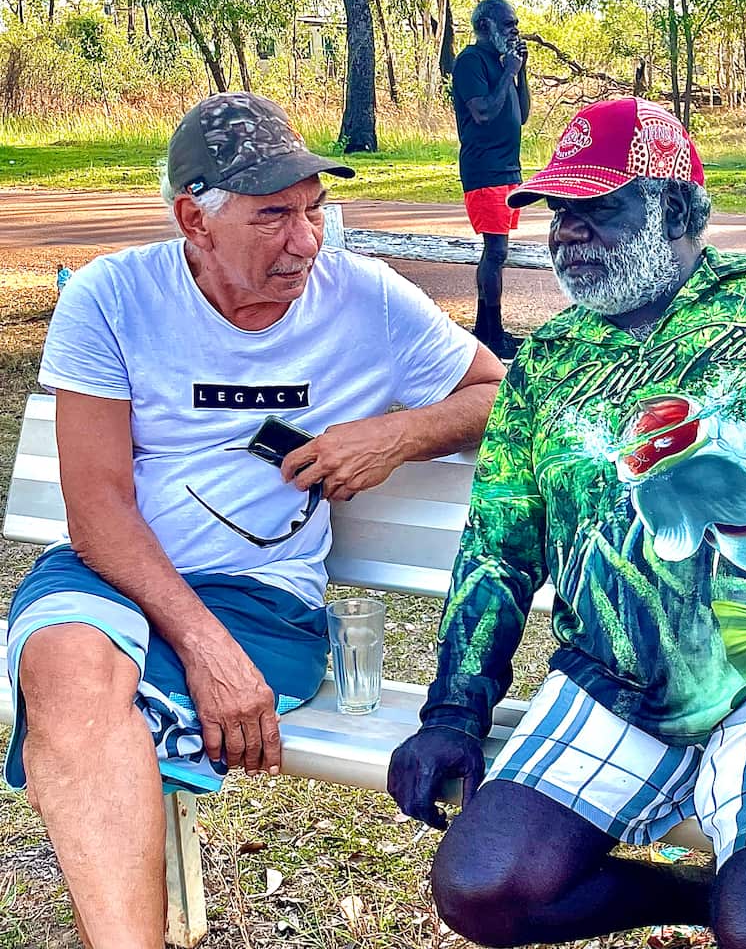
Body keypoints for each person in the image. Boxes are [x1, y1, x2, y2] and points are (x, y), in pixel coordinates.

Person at [388, 97, 746, 949]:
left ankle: (736, 898)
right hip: (618, 684)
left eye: (596, 209)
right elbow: (497, 550)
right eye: (557, 213)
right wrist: (455, 711)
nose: (567, 232)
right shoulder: (549, 361)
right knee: (480, 887)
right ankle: (692, 897)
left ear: (678, 210)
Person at [3, 92, 505, 949]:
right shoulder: (112, 298)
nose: (306, 242)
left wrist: (396, 432)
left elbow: (497, 393)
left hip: (263, 599)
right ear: (192, 219)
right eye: (273, 216)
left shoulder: (367, 301)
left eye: (313, 210)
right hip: (111, 574)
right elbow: (98, 511)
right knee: (67, 673)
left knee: (84, 712)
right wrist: (206, 650)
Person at [452, 0, 530, 360]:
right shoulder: (470, 61)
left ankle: (486, 331)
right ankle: (491, 333)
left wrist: (521, 71)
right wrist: (508, 73)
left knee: (497, 252)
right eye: (508, 24)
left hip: (508, 168)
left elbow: (522, 114)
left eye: (515, 24)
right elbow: (482, 112)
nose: (515, 30)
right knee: (496, 252)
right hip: (484, 169)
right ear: (485, 26)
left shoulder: (503, 65)